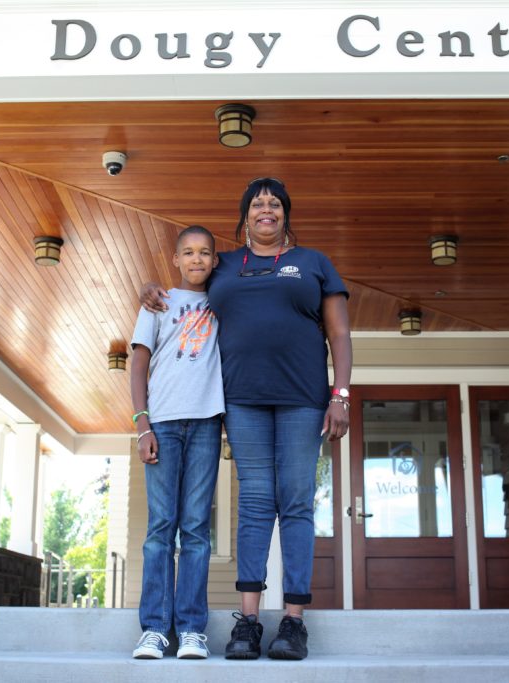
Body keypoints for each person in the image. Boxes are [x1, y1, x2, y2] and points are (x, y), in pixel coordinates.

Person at [141, 178, 352, 661]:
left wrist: (340, 393)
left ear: (285, 214)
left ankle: (294, 621)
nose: (266, 209)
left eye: (274, 203)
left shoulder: (314, 263)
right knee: (255, 503)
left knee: (296, 502)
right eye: (257, 203)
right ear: (245, 216)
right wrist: (149, 287)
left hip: (303, 400)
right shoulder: (225, 265)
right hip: (243, 401)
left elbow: (339, 334)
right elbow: (184, 287)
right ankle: (249, 622)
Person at [130, 225, 224, 660]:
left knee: (196, 530)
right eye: (188, 252)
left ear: (215, 260)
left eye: (205, 253)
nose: (197, 260)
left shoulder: (226, 303)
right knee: (160, 528)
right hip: (163, 424)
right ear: (175, 260)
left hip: (206, 424)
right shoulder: (157, 303)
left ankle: (190, 629)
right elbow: (138, 365)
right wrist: (142, 424)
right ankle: (154, 628)